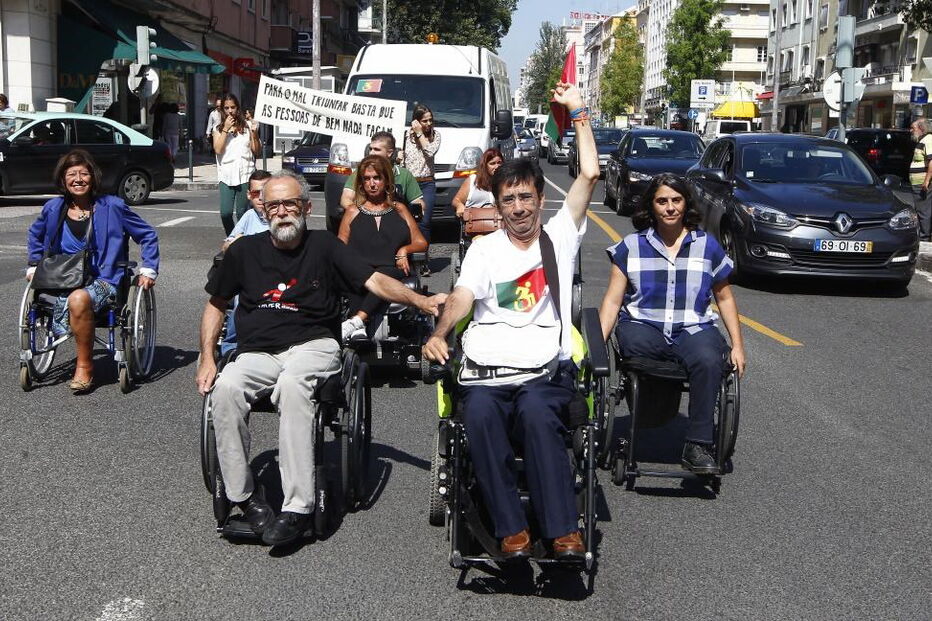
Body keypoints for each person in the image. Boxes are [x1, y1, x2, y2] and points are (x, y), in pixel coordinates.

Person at [196, 170, 445, 546]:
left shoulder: (325, 246)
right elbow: (216, 305)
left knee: (293, 385)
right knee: (226, 388)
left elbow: (375, 281)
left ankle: (297, 506)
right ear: (263, 210)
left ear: (306, 208)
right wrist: (207, 357)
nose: (282, 212)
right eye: (274, 205)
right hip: (258, 351)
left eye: (290, 204)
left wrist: (422, 301)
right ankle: (244, 497)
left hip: (313, 345)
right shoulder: (244, 251)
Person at [422, 82, 598, 560]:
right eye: (508, 200)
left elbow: (590, 173)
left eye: (525, 197)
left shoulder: (560, 237)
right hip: (488, 370)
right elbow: (461, 297)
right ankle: (511, 529)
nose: (518, 207)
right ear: (497, 206)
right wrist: (440, 333)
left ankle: (562, 530)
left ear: (540, 198)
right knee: (478, 414)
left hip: (544, 370)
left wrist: (578, 111)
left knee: (539, 415)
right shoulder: (484, 250)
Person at [597, 173, 747, 474]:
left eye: (676, 200)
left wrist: (737, 346)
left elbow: (724, 298)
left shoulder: (707, 246)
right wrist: (596, 346)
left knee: (708, 359)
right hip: (644, 327)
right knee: (636, 347)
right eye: (662, 201)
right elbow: (613, 302)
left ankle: (697, 445)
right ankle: (653, 410)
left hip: (692, 328)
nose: (669, 208)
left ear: (686, 203)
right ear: (651, 206)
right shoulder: (631, 246)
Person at [26, 149, 159, 393]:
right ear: (63, 179)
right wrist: (35, 264)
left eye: (84, 174)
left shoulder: (113, 207)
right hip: (61, 279)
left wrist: (148, 268)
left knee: (79, 298)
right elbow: (35, 234)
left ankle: (84, 366)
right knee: (66, 296)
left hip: (104, 280)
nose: (78, 179)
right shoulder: (54, 208)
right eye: (71, 174)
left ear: (93, 177)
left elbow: (147, 234)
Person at [338, 155, 427, 341]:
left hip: (392, 269)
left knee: (381, 275)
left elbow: (421, 242)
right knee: (356, 275)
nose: (372, 184)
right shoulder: (352, 211)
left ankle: (357, 321)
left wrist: (404, 250)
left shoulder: (399, 209)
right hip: (361, 271)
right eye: (367, 179)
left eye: (377, 178)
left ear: (386, 180)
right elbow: (340, 247)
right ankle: (358, 325)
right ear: (361, 183)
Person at [219, 169, 273, 356]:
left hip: (277, 276)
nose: (261, 198)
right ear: (249, 195)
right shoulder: (249, 217)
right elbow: (226, 245)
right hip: (250, 278)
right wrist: (237, 242)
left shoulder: (281, 215)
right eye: (256, 193)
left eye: (265, 192)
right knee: (241, 302)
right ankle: (230, 347)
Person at [340, 131, 425, 216]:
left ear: (389, 153)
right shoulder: (361, 172)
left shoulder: (404, 175)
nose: (371, 153)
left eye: (376, 149)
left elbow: (418, 202)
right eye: (370, 149)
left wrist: (406, 215)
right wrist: (363, 216)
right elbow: (346, 199)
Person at [212, 93, 261, 236]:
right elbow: (218, 149)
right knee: (225, 213)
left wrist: (254, 134)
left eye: (232, 107)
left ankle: (243, 240)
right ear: (222, 110)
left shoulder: (247, 126)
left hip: (245, 173)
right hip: (226, 175)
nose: (230, 111)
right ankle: (232, 236)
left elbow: (256, 151)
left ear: (237, 108)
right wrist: (225, 129)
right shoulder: (218, 128)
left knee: (242, 213)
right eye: (226, 108)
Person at [402, 104, 441, 245]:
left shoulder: (435, 135)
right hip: (409, 183)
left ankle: (423, 254)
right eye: (425, 121)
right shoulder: (405, 135)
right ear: (416, 121)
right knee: (407, 221)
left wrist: (420, 133)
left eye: (430, 120)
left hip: (426, 183)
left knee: (424, 221)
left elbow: (430, 151)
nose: (428, 123)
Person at [451, 148, 503, 217]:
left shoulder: (505, 182)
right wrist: (459, 206)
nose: (497, 166)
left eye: (499, 163)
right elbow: (456, 200)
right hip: (474, 220)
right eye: (492, 163)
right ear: (485, 165)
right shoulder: (473, 180)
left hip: (497, 221)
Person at [909, 117, 932, 241]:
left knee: (924, 212)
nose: (911, 130)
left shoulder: (928, 140)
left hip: (922, 184)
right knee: (921, 210)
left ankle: (924, 238)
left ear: (921, 129)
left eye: (913, 128)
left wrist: (926, 182)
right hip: (918, 183)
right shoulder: (922, 140)